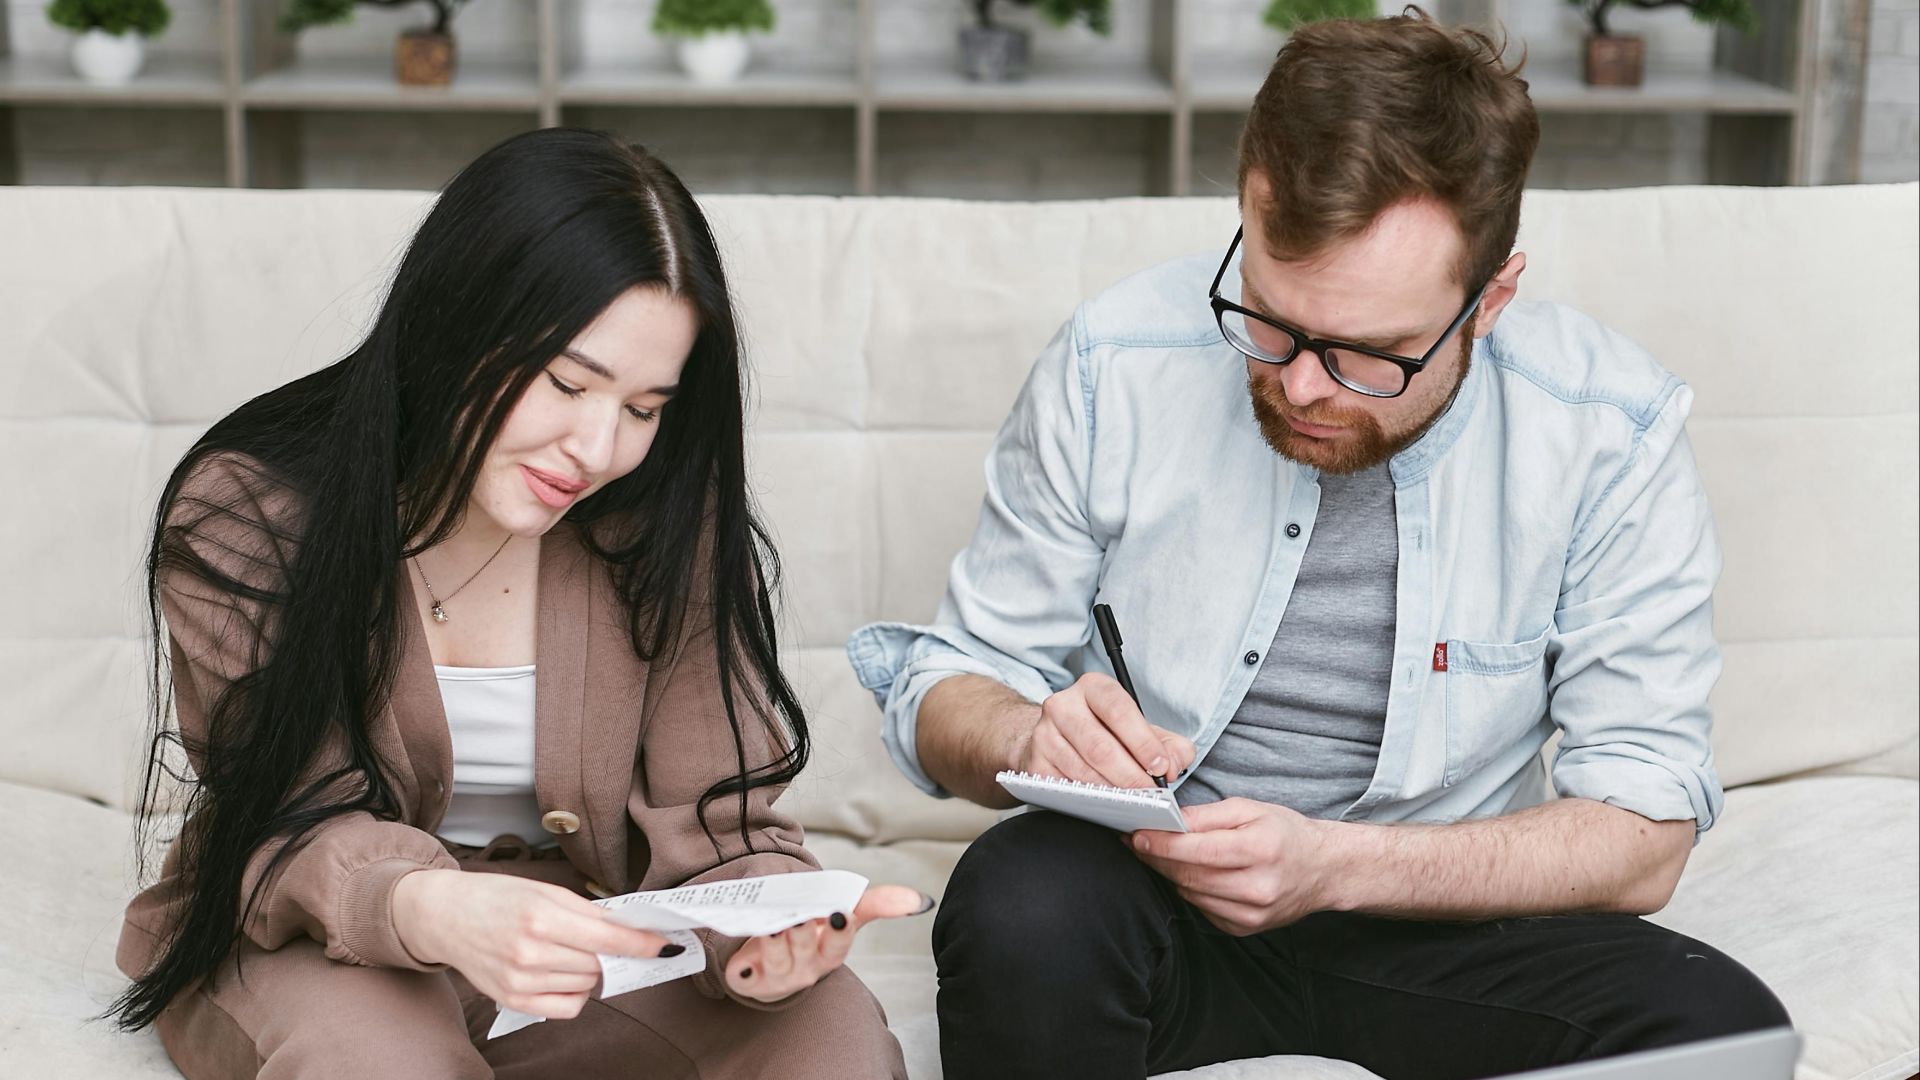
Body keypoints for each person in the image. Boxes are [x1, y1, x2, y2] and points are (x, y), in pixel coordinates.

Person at [846, 11, 1789, 1080]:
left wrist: (1336, 865)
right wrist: (1027, 735)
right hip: (1155, 903)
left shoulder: (1608, 430)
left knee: (1722, 1023)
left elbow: (1645, 830)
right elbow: (946, 688)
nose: (1300, 385)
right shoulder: (1117, 361)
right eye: (1271, 316)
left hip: (1443, 924)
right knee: (1018, 901)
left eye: (1370, 354)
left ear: (1491, 301)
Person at [110, 128, 923, 1079]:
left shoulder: (661, 518)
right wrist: (434, 907)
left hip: (589, 933)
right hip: (325, 930)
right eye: (567, 383)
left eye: (644, 408)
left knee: (830, 1040)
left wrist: (771, 933)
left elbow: (720, 830)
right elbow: (282, 824)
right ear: (458, 321)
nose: (596, 447)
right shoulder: (251, 516)